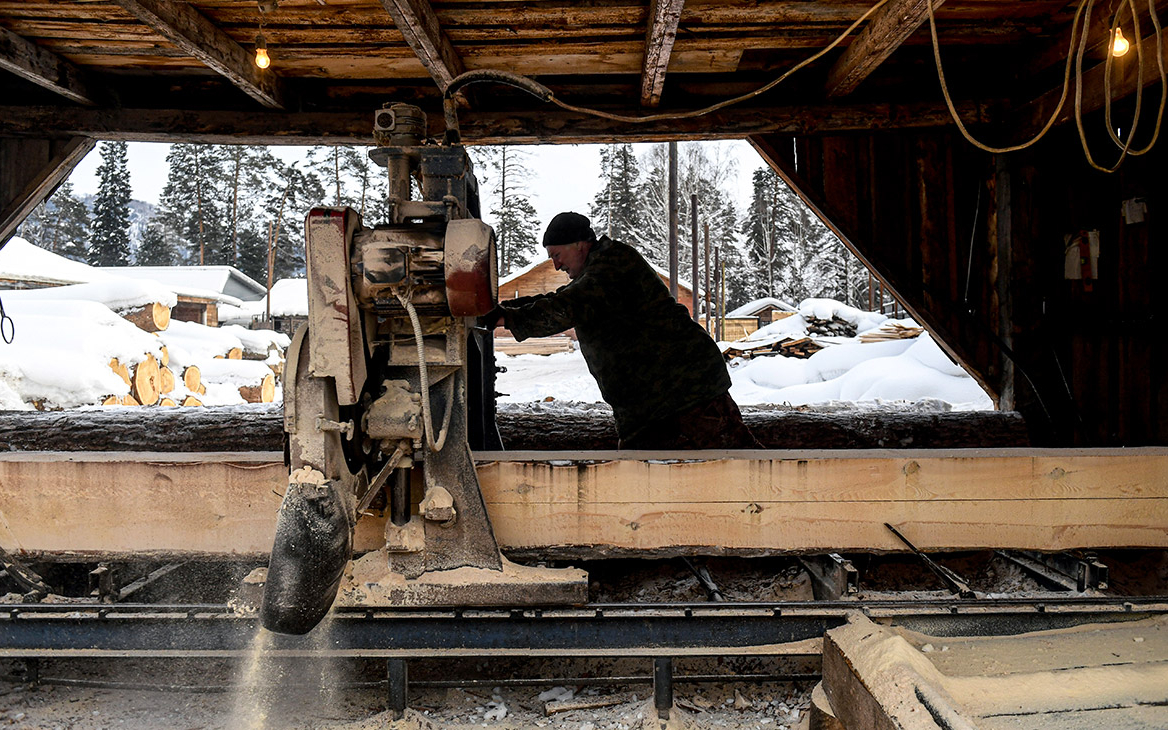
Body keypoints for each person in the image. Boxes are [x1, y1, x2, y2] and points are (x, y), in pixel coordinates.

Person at [486, 212, 759, 449]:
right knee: (645, 477)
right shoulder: (594, 272)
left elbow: (568, 306)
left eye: (557, 255)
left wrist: (506, 318)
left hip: (688, 391)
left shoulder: (612, 265)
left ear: (580, 245)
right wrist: (502, 309)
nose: (556, 265)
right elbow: (559, 297)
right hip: (650, 403)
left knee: (739, 463)